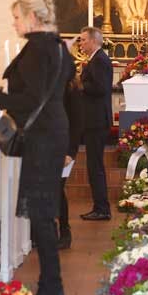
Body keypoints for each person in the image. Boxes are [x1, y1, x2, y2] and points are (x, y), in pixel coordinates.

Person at [0, 0, 75, 295]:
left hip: (43, 136)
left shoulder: (39, 50)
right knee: (41, 212)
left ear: (33, 18)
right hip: (52, 132)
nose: (14, 23)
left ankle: (52, 287)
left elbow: (29, 101)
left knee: (40, 212)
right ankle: (51, 286)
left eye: (17, 17)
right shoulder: (58, 47)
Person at [78, 26, 112, 221]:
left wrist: (78, 84)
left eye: (83, 40)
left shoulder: (99, 60)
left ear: (93, 41)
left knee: (95, 165)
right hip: (94, 119)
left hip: (96, 120)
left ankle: (102, 208)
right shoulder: (96, 60)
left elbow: (100, 88)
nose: (81, 44)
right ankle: (100, 206)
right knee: (94, 165)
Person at [58, 73, 84, 249]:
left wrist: (70, 152)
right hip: (47, 144)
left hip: (64, 146)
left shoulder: (71, 88)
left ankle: (65, 231)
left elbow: (76, 123)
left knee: (57, 188)